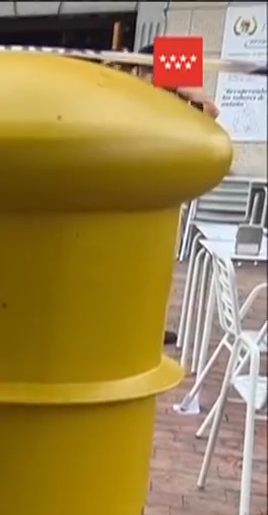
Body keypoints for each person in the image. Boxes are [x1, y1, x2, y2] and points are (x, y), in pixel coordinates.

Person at [134, 44, 218, 347]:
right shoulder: (131, 100)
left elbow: (211, 112)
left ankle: (153, 326)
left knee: (161, 268)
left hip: (166, 199)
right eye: (149, 71)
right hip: (134, 197)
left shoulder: (175, 104)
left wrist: (189, 92)